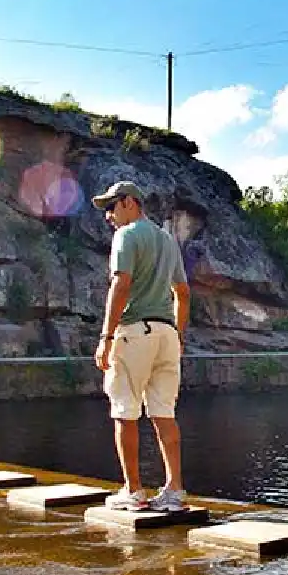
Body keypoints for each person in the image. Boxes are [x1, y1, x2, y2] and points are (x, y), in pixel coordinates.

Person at [90, 180, 190, 512]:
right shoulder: (168, 242)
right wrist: (179, 335)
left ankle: (133, 492)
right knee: (164, 413)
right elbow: (183, 293)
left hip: (134, 331)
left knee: (124, 411)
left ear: (131, 203)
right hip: (166, 334)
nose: (108, 215)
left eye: (111, 206)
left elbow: (121, 283)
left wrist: (105, 337)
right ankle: (174, 491)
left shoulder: (127, 236)